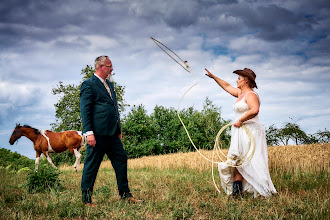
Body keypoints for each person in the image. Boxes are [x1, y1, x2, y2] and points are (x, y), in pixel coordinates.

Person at [205, 67, 277, 198]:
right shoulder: (240, 94)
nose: (236, 80)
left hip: (251, 131)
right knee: (238, 160)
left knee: (252, 159)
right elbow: (226, 86)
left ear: (246, 81)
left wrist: (241, 120)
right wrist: (214, 77)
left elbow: (255, 110)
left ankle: (262, 190)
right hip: (240, 130)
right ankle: (237, 193)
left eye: (239, 78)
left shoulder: (251, 95)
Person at [80, 55, 139, 206]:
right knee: (92, 165)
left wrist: (118, 128)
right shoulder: (89, 84)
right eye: (109, 66)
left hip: (113, 133)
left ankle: (125, 194)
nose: (112, 69)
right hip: (97, 134)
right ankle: (86, 200)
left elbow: (114, 108)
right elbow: (85, 110)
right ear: (100, 67)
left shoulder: (110, 85)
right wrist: (88, 132)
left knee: (121, 160)